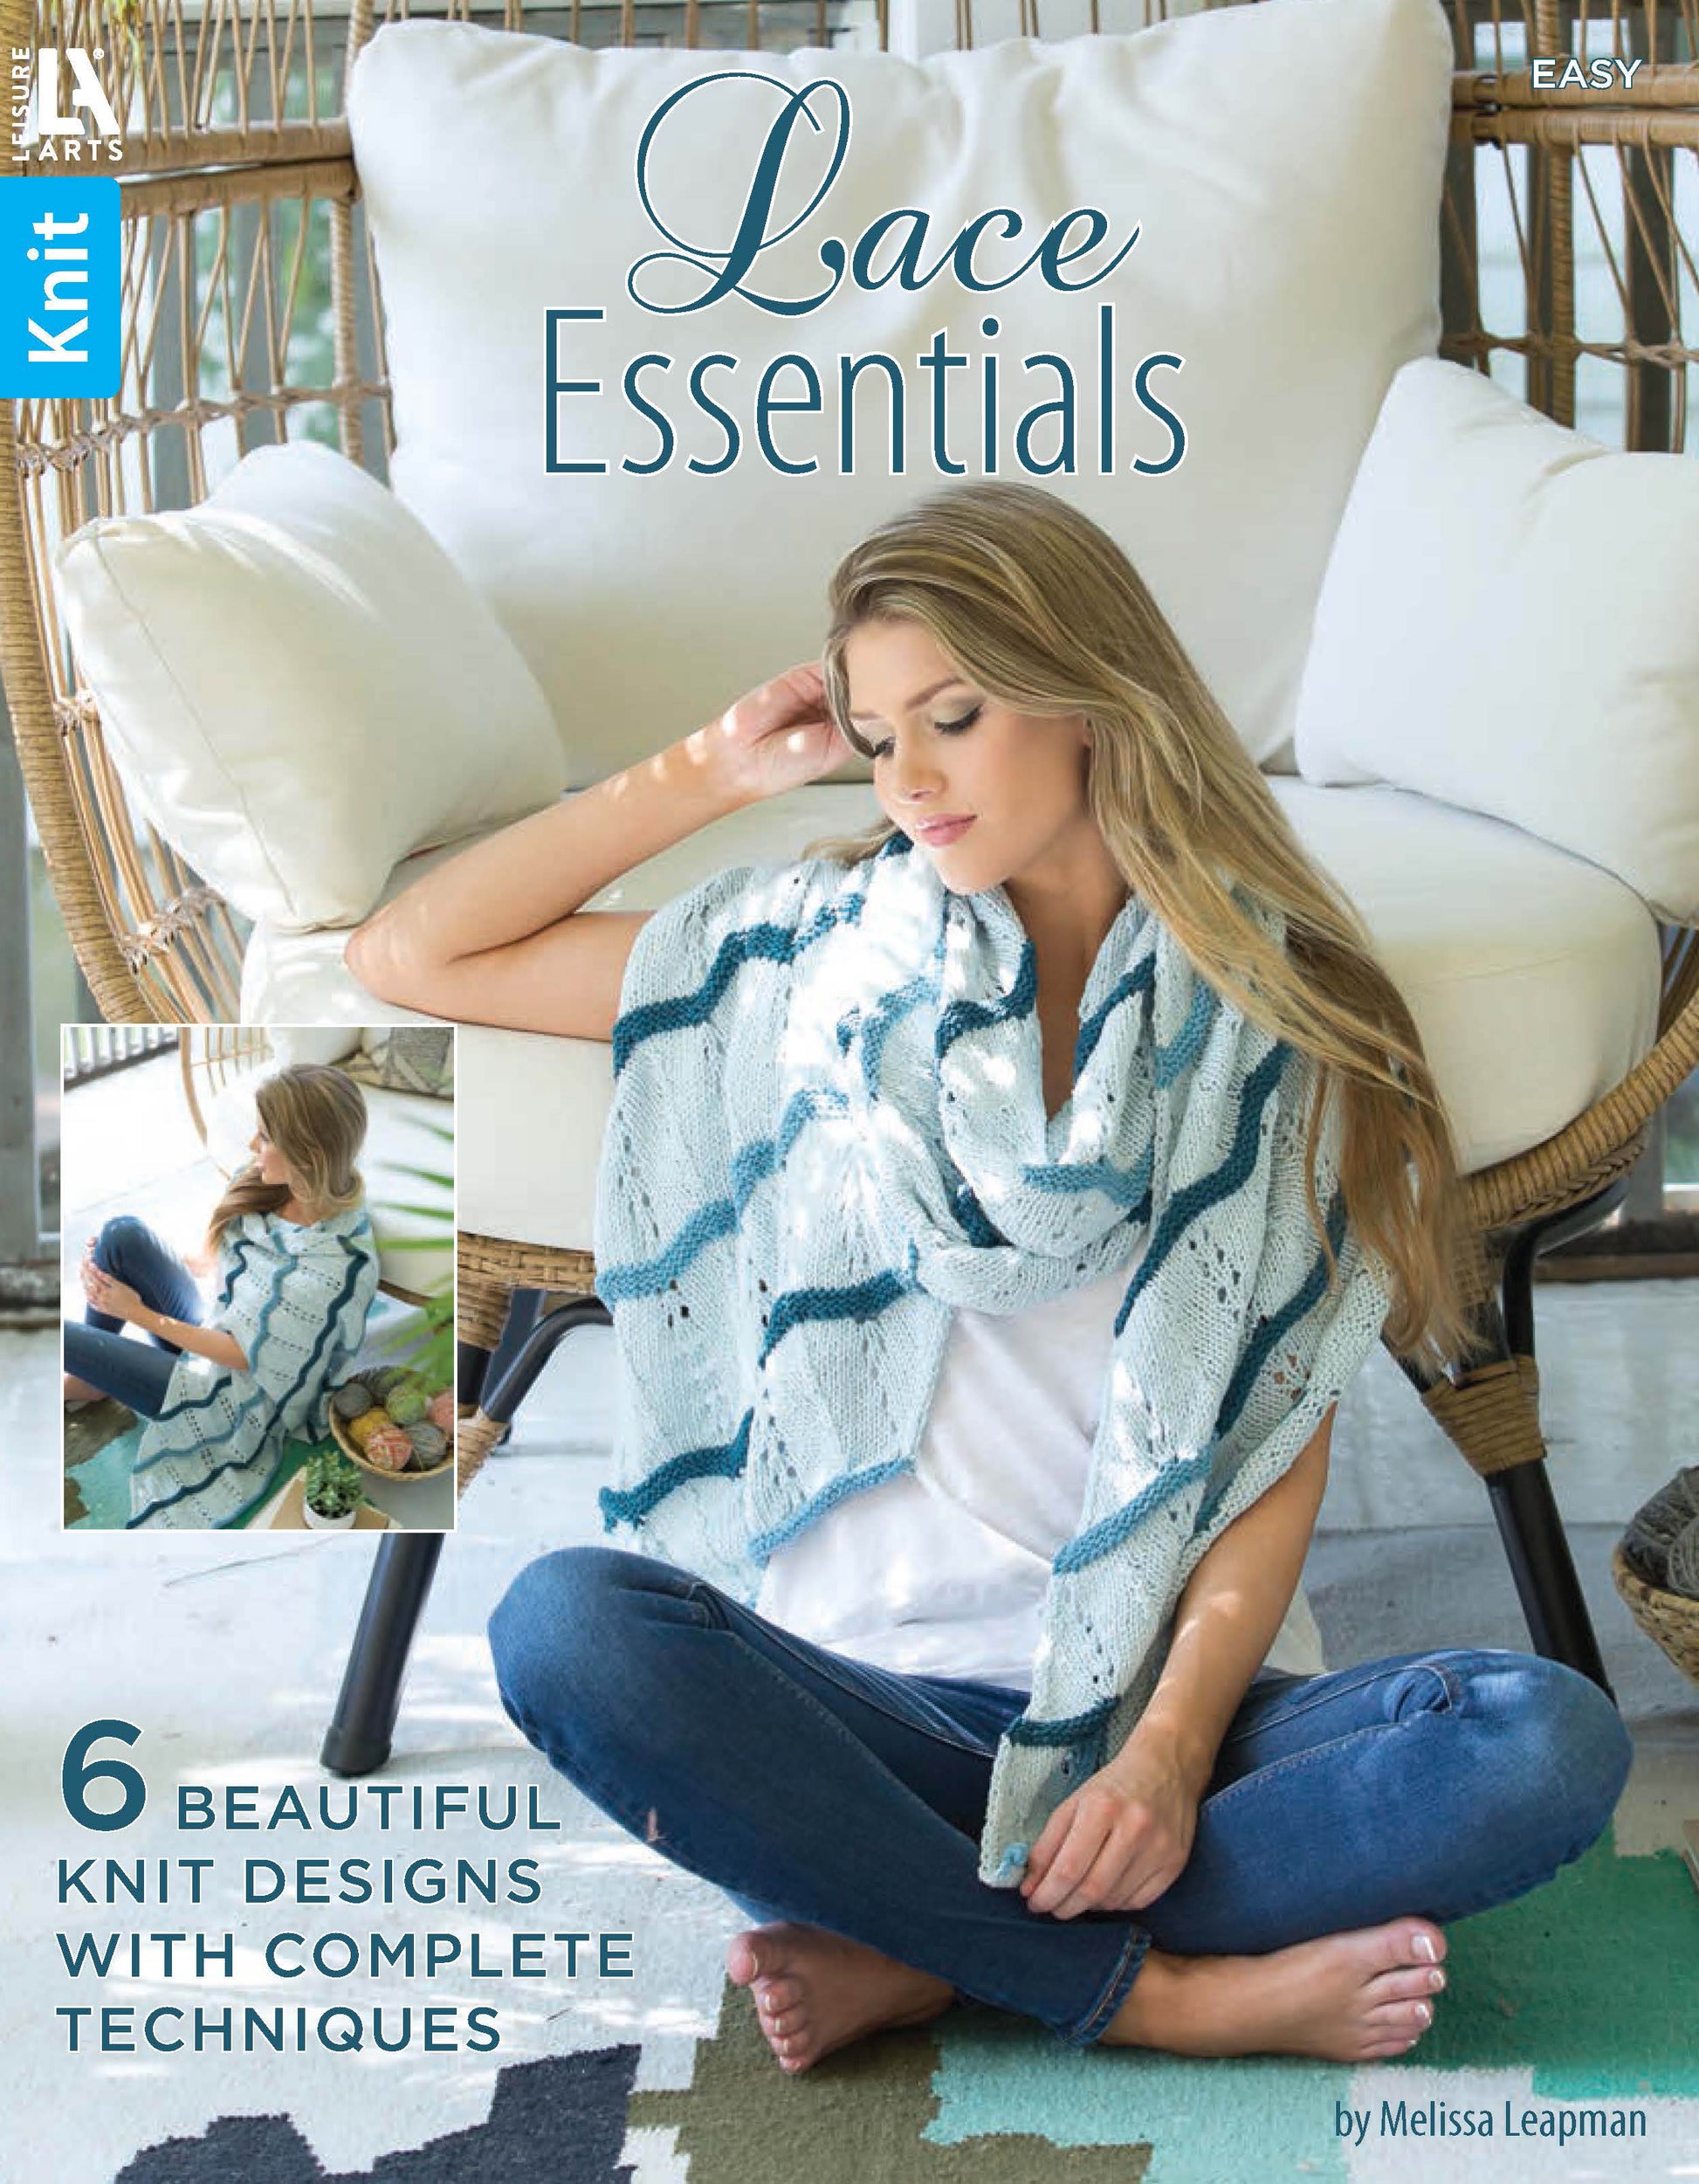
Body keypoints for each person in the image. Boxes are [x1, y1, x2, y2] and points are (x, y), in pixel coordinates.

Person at [345, 482, 1631, 2074]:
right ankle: (1146, 1993)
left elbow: (1273, 1445)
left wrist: (1160, 1757)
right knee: (565, 1626)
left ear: (1094, 698)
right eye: (879, 737)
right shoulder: (804, 959)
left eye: (953, 715)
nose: (911, 776)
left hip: (1175, 1731)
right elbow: (411, 958)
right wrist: (707, 770)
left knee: (1544, 1743)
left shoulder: (1268, 1017)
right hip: (859, 1730)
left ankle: (929, 1953)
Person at [65, 1061, 381, 1530]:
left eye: (266, 1137)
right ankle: (94, 1381)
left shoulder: (333, 1269)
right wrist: (113, 1268)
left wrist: (136, 1313)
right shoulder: (264, 1181)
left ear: (309, 1156)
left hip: (228, 1402)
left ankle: (94, 1372)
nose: (254, 1146)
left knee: (59, 1334)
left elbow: (243, 1357)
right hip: (210, 1330)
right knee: (120, 1235)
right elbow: (220, 1264)